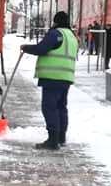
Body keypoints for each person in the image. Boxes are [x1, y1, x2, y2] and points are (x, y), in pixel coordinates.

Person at [21, 10, 79, 150]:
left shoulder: (56, 34)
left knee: (49, 107)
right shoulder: (72, 36)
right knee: (61, 107)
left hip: (53, 76)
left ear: (56, 21)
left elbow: (42, 48)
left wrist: (25, 47)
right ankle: (61, 138)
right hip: (66, 77)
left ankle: (52, 140)